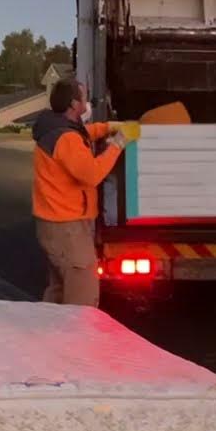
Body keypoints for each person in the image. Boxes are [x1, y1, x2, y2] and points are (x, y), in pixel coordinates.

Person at [31, 78, 128, 306]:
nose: (87, 100)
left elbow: (83, 133)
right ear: (75, 104)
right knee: (82, 293)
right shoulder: (66, 138)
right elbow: (92, 174)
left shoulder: (56, 127)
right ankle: (76, 338)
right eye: (84, 96)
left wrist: (108, 127)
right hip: (67, 228)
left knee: (59, 290)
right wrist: (117, 144)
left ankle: (48, 334)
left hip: (55, 223)